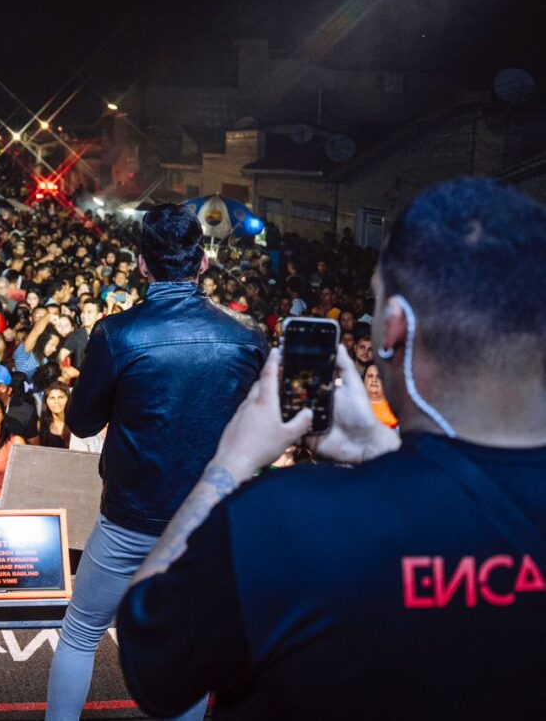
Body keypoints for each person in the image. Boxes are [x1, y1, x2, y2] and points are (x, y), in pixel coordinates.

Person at [115, 178, 546, 720]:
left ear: (393, 329)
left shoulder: (288, 518)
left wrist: (228, 465)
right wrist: (382, 449)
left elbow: (153, 663)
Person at [45, 203, 267, 721]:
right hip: (207, 521)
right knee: (185, 642)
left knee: (80, 632)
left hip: (131, 518)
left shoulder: (117, 333)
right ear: (203, 263)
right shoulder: (246, 333)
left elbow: (80, 424)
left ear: (142, 265)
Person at [33, 383, 71, 448]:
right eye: (52, 398)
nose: (56, 401)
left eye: (61, 397)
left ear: (68, 399)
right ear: (46, 402)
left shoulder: (77, 425)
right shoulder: (40, 425)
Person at [364, 363, 398, 428]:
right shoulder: (354, 405)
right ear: (364, 381)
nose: (374, 380)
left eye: (379, 377)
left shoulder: (396, 409)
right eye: (370, 376)